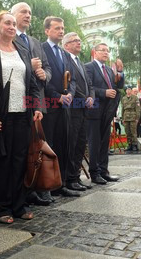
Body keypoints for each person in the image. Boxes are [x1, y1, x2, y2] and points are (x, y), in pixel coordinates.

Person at [0, 11, 43, 223]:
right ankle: (2, 208)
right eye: (7, 23)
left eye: (14, 24)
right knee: (2, 162)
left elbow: (32, 83)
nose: (12, 27)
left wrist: (36, 106)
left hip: (23, 115)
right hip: (0, 116)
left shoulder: (23, 50)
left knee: (19, 161)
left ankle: (19, 205)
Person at [11, 2, 53, 206]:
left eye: (30, 12)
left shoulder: (35, 42)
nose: (28, 15)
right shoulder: (8, 38)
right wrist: (30, 66)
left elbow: (46, 67)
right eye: (23, 12)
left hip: (37, 102)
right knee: (21, 149)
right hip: (16, 102)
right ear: (13, 15)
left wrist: (45, 74)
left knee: (36, 146)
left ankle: (37, 187)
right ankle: (22, 191)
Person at [41, 17, 78, 197]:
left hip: (65, 107)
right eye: (57, 28)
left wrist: (70, 94)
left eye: (62, 28)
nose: (61, 31)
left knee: (64, 144)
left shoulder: (64, 54)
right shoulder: (41, 49)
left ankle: (61, 183)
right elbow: (41, 79)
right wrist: (58, 97)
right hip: (49, 106)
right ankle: (48, 185)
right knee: (50, 145)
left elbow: (72, 79)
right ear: (47, 31)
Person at [85, 43, 124, 184]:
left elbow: (118, 86)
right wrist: (103, 92)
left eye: (108, 51)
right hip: (94, 110)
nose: (106, 53)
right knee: (94, 142)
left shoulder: (108, 69)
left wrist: (120, 72)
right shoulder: (88, 67)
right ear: (94, 52)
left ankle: (104, 171)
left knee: (104, 142)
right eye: (103, 50)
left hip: (107, 111)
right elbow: (88, 87)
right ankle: (94, 173)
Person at [62, 32, 94, 191]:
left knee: (81, 144)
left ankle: (76, 176)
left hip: (84, 109)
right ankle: (69, 179)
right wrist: (84, 98)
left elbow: (90, 84)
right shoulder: (65, 59)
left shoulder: (80, 62)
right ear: (66, 45)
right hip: (72, 108)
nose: (79, 43)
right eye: (75, 41)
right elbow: (70, 84)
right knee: (72, 144)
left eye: (79, 41)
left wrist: (91, 97)